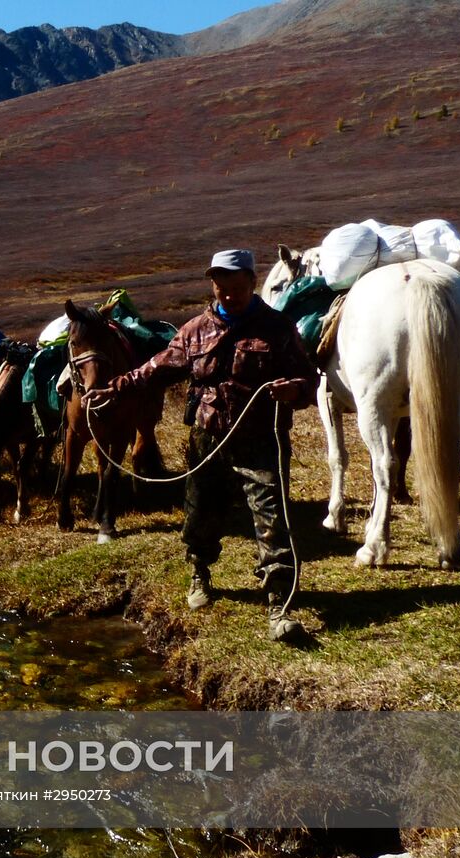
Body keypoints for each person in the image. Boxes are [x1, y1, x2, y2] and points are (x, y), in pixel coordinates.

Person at [84, 249, 319, 643]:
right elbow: (156, 370)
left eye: (238, 289)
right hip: (207, 440)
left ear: (251, 283)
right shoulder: (194, 331)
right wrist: (114, 389)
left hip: (262, 439)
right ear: (213, 286)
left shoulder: (277, 328)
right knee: (199, 515)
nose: (230, 296)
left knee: (273, 518)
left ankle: (279, 604)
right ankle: (200, 573)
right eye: (223, 289)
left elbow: (309, 381)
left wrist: (294, 389)